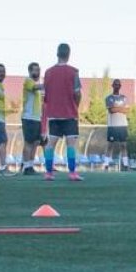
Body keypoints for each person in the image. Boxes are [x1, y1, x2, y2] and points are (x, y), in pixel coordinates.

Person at [42, 43, 84, 182]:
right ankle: (72, 173)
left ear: (57, 53)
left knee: (50, 144)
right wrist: (75, 106)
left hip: (53, 113)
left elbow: (45, 96)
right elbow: (77, 93)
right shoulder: (74, 72)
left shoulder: (48, 73)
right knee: (70, 144)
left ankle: (48, 173)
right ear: (69, 54)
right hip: (69, 113)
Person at [20, 62, 45, 175]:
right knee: (28, 142)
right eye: (35, 70)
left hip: (36, 118)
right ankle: (26, 166)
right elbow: (35, 87)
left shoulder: (36, 84)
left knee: (35, 142)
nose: (38, 72)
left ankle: (30, 165)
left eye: (39, 70)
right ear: (30, 71)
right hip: (28, 117)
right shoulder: (28, 81)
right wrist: (49, 83)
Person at [105, 79, 131, 171]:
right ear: (112, 86)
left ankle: (126, 165)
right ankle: (106, 165)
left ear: (120, 86)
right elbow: (111, 110)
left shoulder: (124, 98)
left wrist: (116, 107)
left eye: (118, 85)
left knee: (124, 146)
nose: (117, 86)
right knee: (110, 146)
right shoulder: (109, 98)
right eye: (115, 84)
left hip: (122, 125)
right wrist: (121, 108)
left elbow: (127, 110)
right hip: (112, 126)